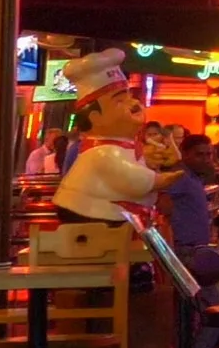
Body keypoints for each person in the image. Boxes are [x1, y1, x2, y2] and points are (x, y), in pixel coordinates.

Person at [51, 52, 186, 223]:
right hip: (91, 214)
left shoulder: (126, 147)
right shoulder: (102, 152)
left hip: (115, 216)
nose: (133, 103)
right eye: (120, 101)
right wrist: (157, 180)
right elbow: (130, 178)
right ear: (95, 118)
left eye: (129, 97)